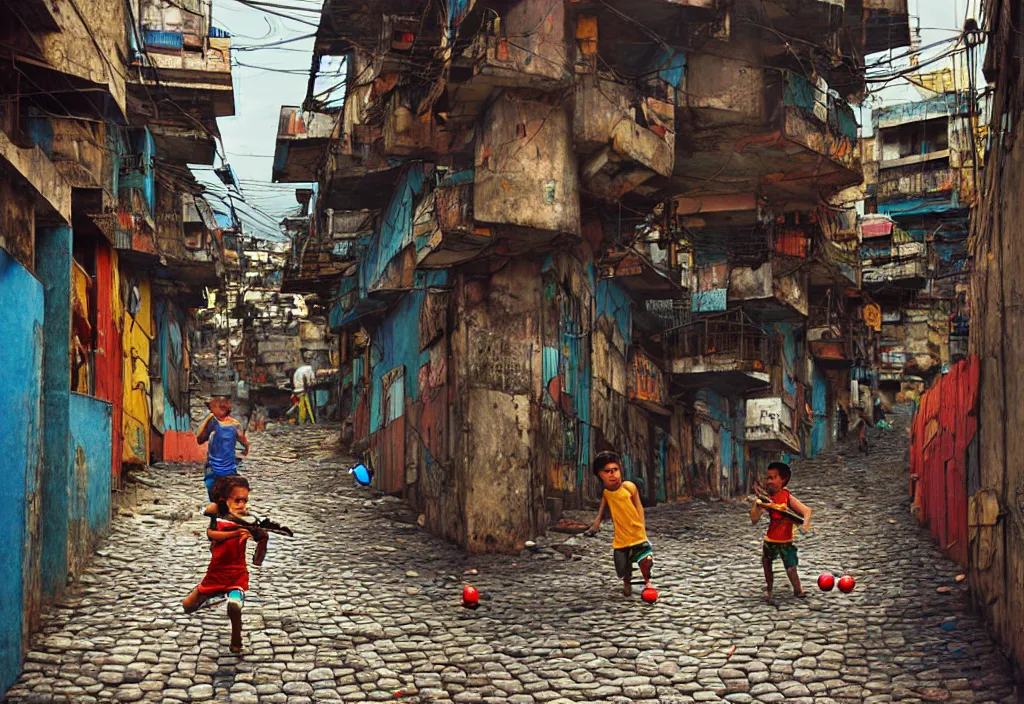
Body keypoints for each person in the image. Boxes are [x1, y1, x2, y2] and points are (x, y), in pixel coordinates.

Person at [182, 475, 268, 653]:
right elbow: (212, 535)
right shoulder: (218, 516)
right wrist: (234, 534)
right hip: (215, 573)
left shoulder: (248, 522)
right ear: (225, 499)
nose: (241, 505)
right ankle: (217, 597)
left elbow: (260, 547)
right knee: (187, 606)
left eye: (245, 500)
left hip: (236, 573)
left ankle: (236, 638)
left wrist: (262, 542)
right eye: (237, 500)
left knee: (235, 605)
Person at [587, 451, 654, 597]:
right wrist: (595, 524)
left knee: (645, 559)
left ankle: (647, 582)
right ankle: (627, 582)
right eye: (608, 471)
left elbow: (639, 507)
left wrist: (642, 526)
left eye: (615, 470)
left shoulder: (629, 487)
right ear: (600, 475)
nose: (613, 474)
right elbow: (602, 512)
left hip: (637, 533)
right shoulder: (606, 493)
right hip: (621, 536)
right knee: (623, 566)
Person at [751, 461, 812, 602]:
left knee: (791, 567)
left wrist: (805, 526)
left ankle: (798, 590)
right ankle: (769, 589)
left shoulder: (786, 496)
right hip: (771, 540)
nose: (769, 481)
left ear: (783, 479)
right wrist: (758, 506)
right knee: (767, 564)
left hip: (786, 541)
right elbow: (754, 519)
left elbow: (806, 511)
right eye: (768, 478)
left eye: (773, 478)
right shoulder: (766, 498)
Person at [197, 397, 249, 501]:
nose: (211, 411)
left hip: (223, 467)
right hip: (219, 465)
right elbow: (245, 443)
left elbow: (200, 439)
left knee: (221, 495)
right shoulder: (234, 424)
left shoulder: (216, 422)